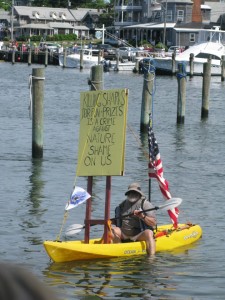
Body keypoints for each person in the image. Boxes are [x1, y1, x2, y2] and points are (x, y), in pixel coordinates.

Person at [111, 182, 157, 256]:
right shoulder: (122, 205)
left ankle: (151, 258)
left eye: (135, 192)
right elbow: (117, 221)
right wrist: (110, 222)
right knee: (111, 230)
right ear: (127, 194)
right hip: (124, 233)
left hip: (139, 234)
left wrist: (142, 216)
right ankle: (119, 251)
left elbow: (153, 223)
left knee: (149, 233)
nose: (132, 194)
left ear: (139, 194)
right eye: (130, 192)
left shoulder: (146, 204)